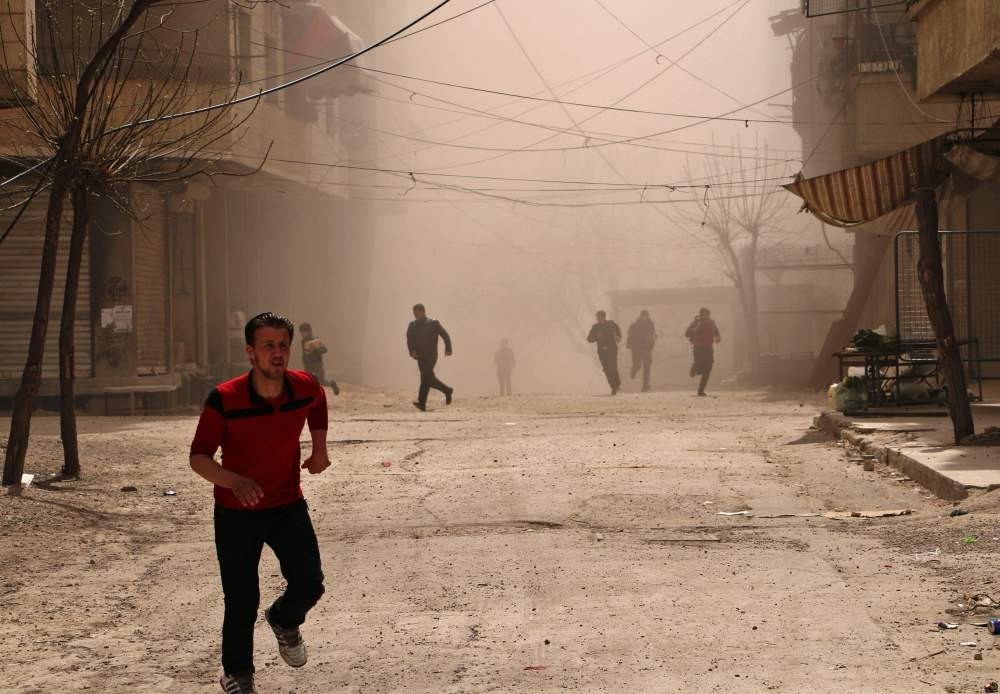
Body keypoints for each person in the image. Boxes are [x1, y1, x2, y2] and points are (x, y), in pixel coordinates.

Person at [190, 313, 330, 694]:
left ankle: (284, 619)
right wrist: (234, 481)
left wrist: (319, 449)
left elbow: (318, 402)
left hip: (287, 505)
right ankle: (238, 674)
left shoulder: (303, 386)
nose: (278, 353)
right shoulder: (225, 398)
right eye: (268, 345)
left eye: (283, 345)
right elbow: (199, 457)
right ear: (250, 352)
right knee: (241, 598)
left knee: (310, 583)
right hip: (236, 514)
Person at [406, 303, 453, 411]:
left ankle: (422, 403)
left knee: (425, 377)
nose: (415, 316)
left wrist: (448, 348)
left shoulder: (433, 323)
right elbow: (409, 340)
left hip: (431, 356)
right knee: (428, 378)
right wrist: (411, 351)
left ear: (423, 312)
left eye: (417, 313)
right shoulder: (412, 325)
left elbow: (445, 335)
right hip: (419, 356)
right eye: (414, 314)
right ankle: (447, 390)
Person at [685, 307, 721, 397]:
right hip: (698, 348)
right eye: (703, 314)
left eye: (706, 314)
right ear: (701, 314)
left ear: (708, 315)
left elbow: (716, 333)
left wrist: (717, 338)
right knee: (700, 367)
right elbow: (687, 333)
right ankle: (694, 367)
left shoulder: (712, 323)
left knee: (708, 369)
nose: (705, 316)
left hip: (708, 348)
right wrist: (694, 330)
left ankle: (701, 390)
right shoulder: (696, 322)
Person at [298, 322, 339, 396]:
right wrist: (304, 360)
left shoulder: (315, 340)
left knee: (321, 381)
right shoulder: (303, 341)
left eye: (304, 332)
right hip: (308, 364)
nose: (303, 334)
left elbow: (325, 349)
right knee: (307, 380)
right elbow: (305, 352)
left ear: (309, 332)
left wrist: (316, 350)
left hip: (317, 364)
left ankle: (332, 384)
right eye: (302, 332)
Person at [587, 310, 622, 395]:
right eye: (597, 317)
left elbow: (618, 330)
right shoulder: (595, 327)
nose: (598, 319)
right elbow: (589, 339)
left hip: (612, 349)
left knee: (613, 366)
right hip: (602, 351)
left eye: (599, 317)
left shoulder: (611, 324)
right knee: (606, 369)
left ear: (603, 317)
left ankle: (616, 385)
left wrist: (618, 336)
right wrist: (596, 337)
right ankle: (613, 386)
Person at [626, 309, 657, 392]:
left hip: (647, 349)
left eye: (646, 315)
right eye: (644, 315)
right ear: (641, 316)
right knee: (637, 364)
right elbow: (630, 335)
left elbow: (653, 334)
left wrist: (652, 338)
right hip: (637, 349)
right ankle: (633, 371)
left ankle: (645, 386)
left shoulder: (651, 324)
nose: (645, 317)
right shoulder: (635, 325)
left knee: (647, 368)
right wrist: (629, 344)